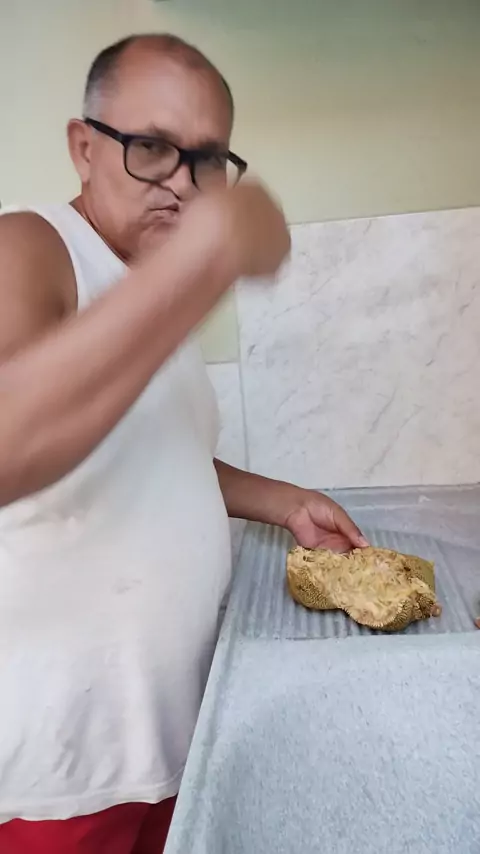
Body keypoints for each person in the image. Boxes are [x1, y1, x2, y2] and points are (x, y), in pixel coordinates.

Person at [0, 33, 368, 854]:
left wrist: (283, 502)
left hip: (172, 733)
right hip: (69, 773)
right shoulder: (29, 246)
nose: (181, 183)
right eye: (152, 147)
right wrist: (202, 259)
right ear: (83, 147)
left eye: (205, 160)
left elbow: (149, 454)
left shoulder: (143, 282)